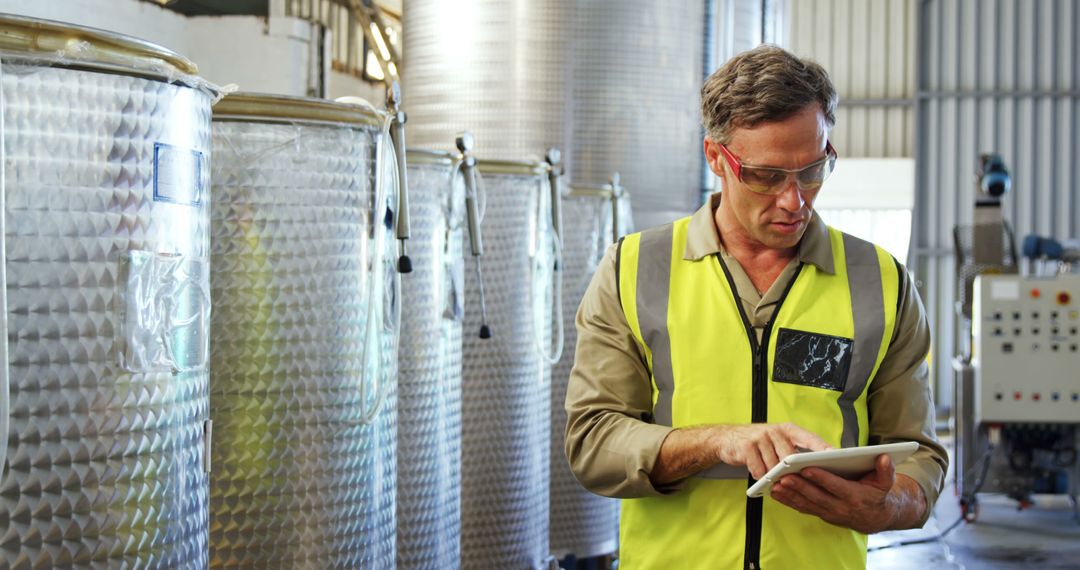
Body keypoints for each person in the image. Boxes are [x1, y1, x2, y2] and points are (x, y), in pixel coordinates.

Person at [564, 45, 948, 570]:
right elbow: (593, 443)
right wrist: (718, 442)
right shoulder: (634, 270)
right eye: (767, 176)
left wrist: (889, 504)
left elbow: (921, 455)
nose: (795, 201)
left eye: (813, 170)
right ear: (716, 157)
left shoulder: (881, 282)